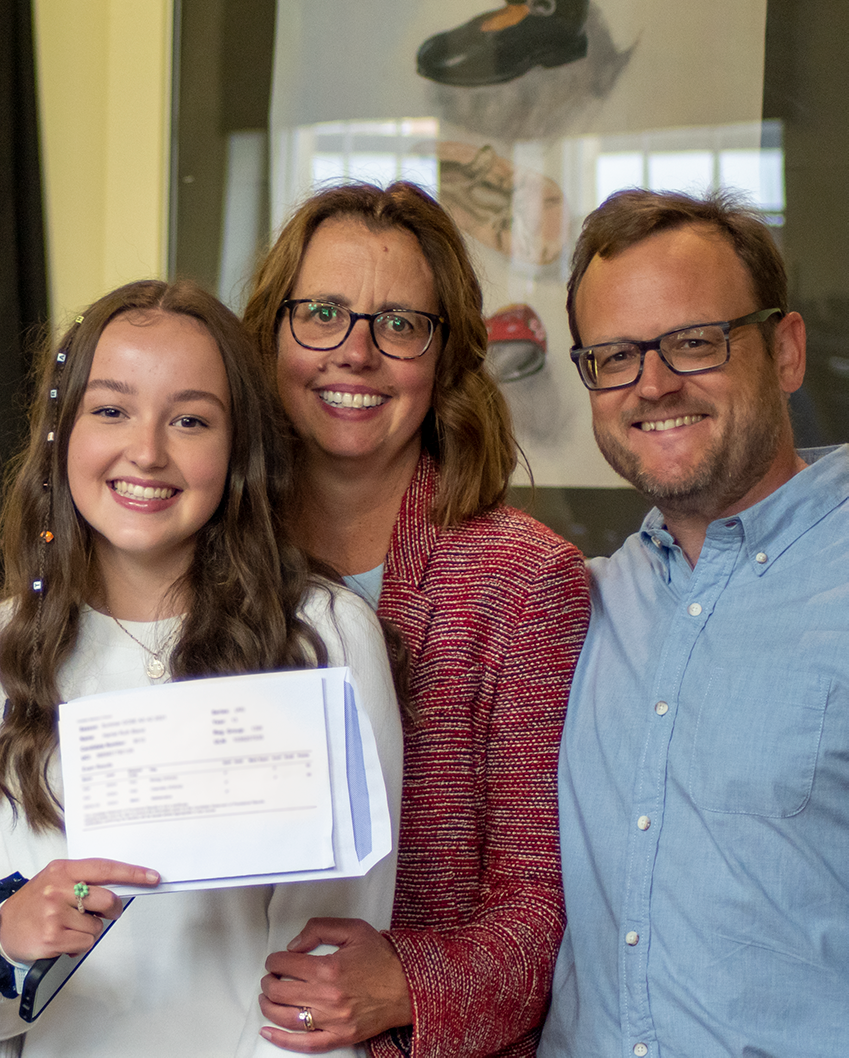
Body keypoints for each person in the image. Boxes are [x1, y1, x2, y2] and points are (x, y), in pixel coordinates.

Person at [0, 279, 403, 1057]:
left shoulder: (323, 638)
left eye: (189, 420)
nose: (146, 450)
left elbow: (328, 964)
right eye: (109, 410)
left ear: (236, 448)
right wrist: (9, 940)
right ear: (59, 433)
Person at [238, 182, 589, 1058]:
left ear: (444, 359)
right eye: (321, 313)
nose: (354, 354)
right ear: (269, 335)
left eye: (399, 325)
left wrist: (404, 983)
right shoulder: (197, 558)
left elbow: (540, 901)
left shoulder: (523, 579)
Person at [541, 189, 847, 1057]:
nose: (653, 383)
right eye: (614, 355)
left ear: (784, 351)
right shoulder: (576, 607)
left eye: (692, 342)